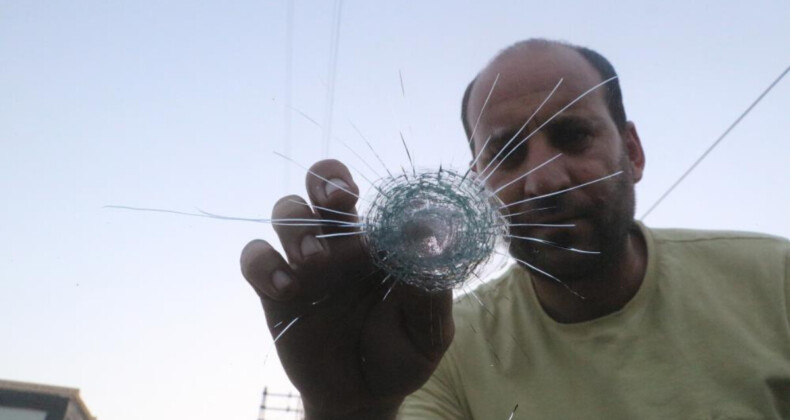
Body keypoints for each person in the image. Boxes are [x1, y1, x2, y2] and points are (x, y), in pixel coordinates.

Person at [240, 39, 790, 419]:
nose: (543, 179)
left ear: (634, 150)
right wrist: (350, 412)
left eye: (573, 137)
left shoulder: (776, 280)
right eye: (507, 154)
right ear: (477, 184)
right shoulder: (430, 347)